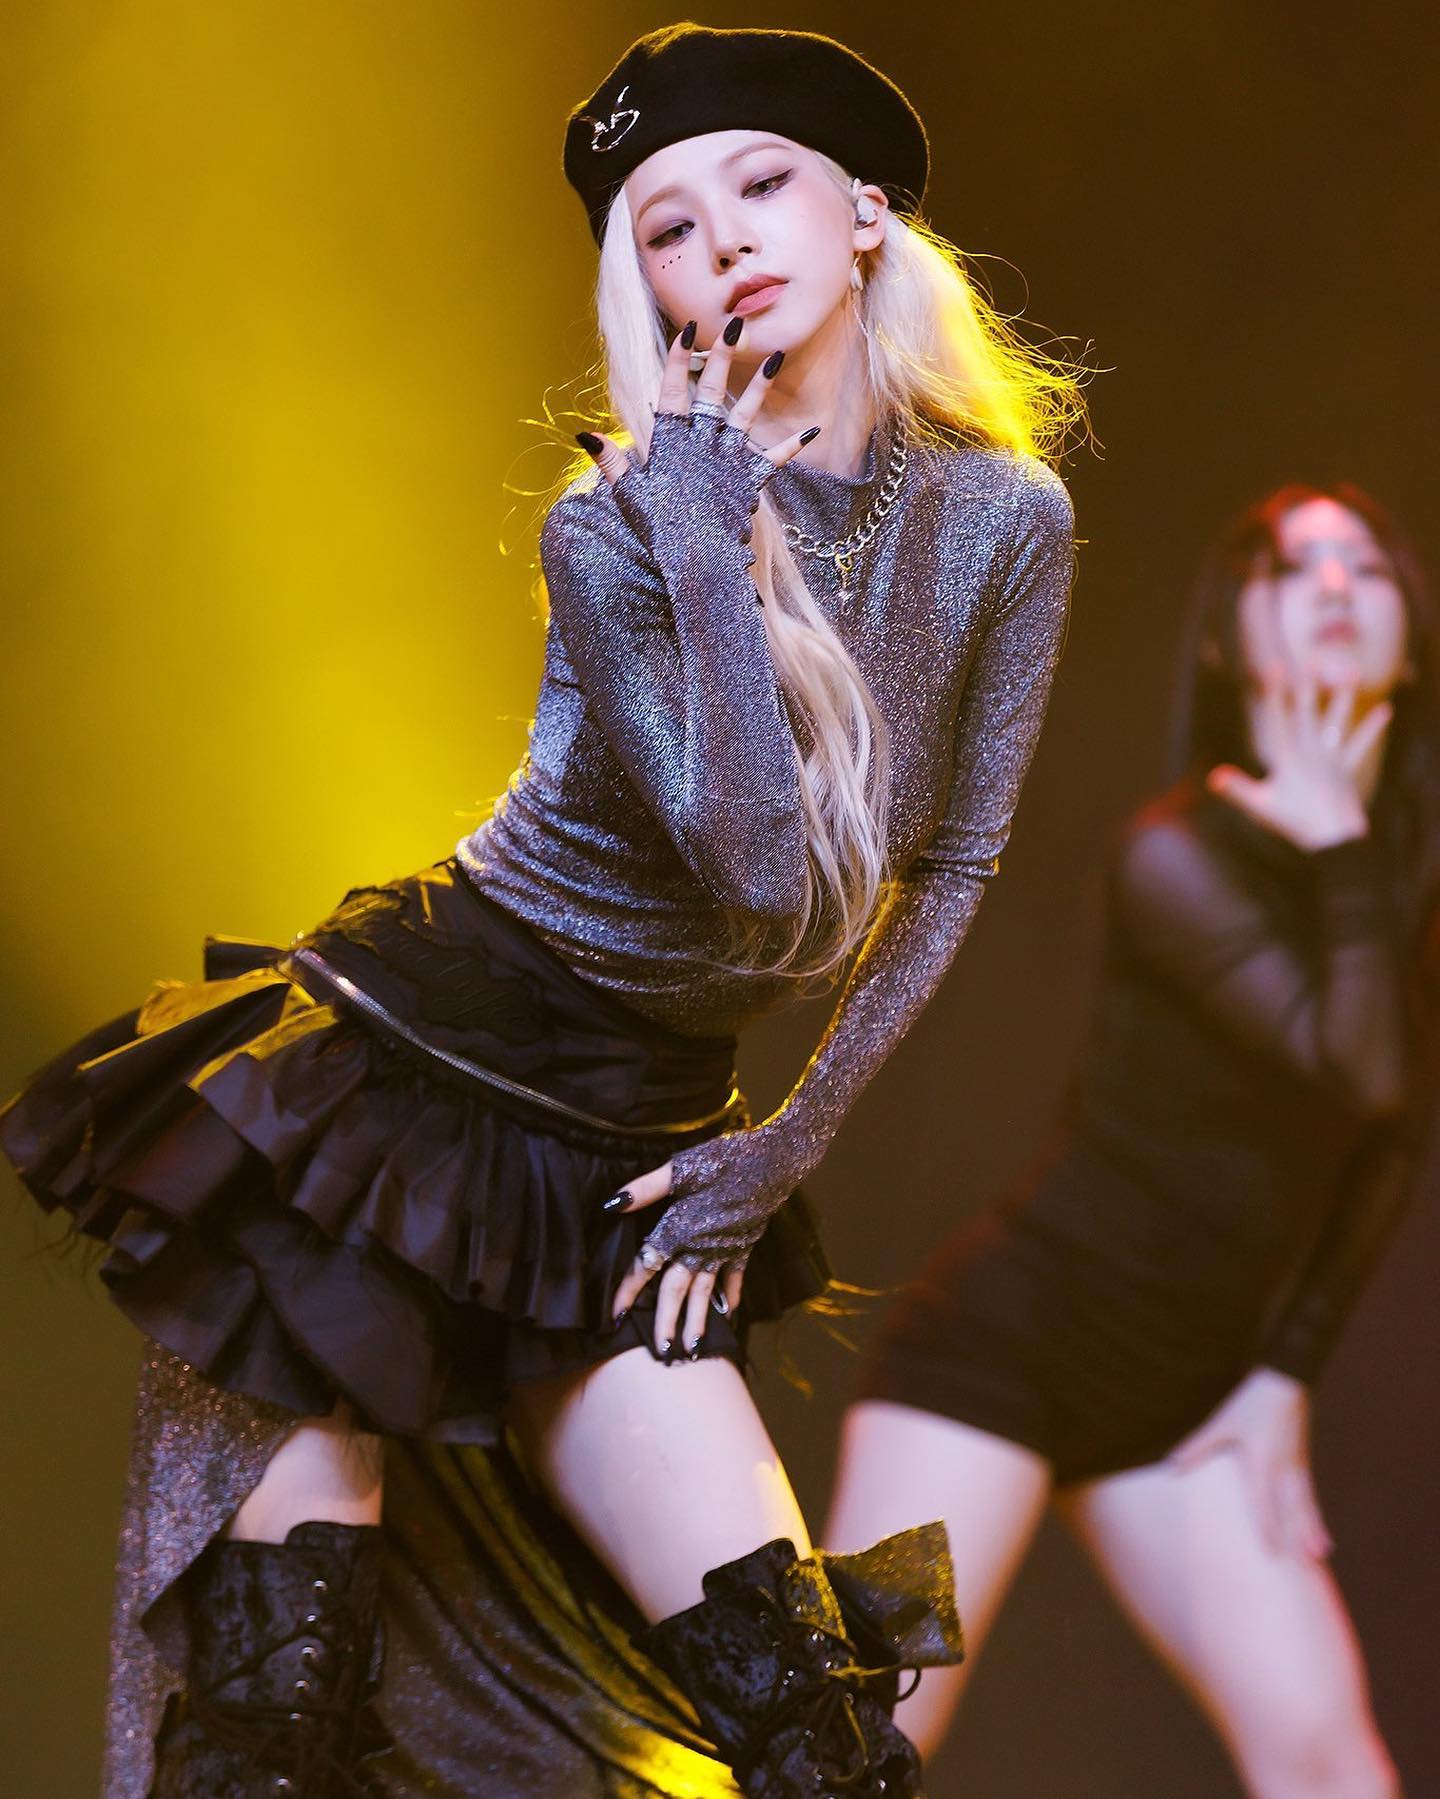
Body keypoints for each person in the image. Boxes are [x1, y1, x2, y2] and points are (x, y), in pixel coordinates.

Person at [1, 23, 1080, 1797]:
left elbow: (953, 862)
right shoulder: (614, 527)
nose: (722, 239)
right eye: (667, 226)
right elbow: (752, 862)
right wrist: (703, 545)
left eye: (762, 183)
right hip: (397, 1088)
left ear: (865, 214)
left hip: (625, 1143)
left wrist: (794, 1137)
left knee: (816, 1728)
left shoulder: (1004, 516)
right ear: (645, 287)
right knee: (282, 1714)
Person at [826, 482, 1440, 1799]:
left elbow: (1390, 1149)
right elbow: (1361, 1073)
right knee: (853, 1752)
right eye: (1294, 567)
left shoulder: (1406, 879)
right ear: (1229, 642)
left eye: (1367, 564)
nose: (1337, 587)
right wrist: (1339, 845)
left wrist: (1282, 1375)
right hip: (1001, 1357)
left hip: (1187, 1400)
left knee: (1336, 1771)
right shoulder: (1179, 855)